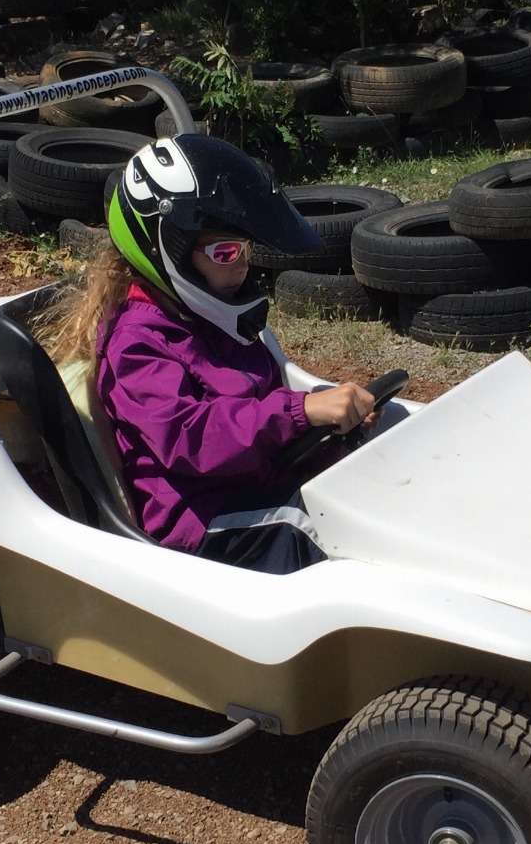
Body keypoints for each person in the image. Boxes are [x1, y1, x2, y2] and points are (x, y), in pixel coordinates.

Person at [40, 136, 376, 573]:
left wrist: (332, 426)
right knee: (322, 539)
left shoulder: (211, 318)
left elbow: (259, 403)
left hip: (252, 487)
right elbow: (190, 439)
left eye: (246, 250)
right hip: (195, 522)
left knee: (365, 496)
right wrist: (298, 412)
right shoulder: (137, 343)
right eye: (225, 252)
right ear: (169, 248)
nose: (242, 266)